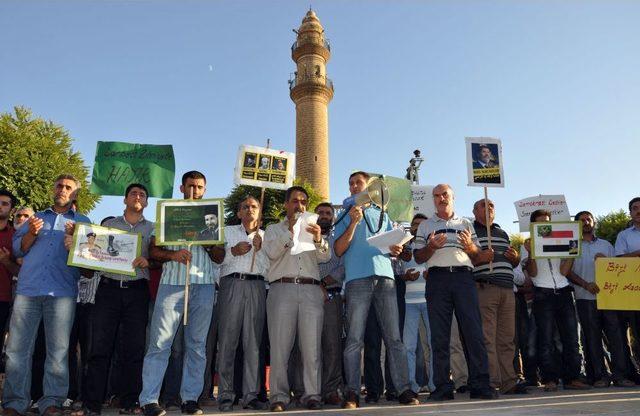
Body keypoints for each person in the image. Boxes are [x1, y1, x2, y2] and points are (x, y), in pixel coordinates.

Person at [3, 175, 91, 416]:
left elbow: (90, 268)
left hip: (62, 294)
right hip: (28, 291)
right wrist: (31, 233)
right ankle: (14, 403)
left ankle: (51, 401)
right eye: (60, 186)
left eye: (68, 187)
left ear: (75, 194)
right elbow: (18, 250)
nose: (63, 189)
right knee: (17, 350)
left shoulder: (84, 223)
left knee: (59, 351)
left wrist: (76, 246)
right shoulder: (34, 219)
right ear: (53, 189)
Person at [139, 171, 222, 416]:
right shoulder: (167, 214)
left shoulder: (213, 218)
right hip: (172, 284)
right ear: (182, 188)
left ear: (205, 190)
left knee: (197, 346)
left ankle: (190, 399)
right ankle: (149, 400)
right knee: (159, 344)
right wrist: (173, 255)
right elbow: (153, 251)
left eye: (199, 187)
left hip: (204, 285)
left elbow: (220, 256)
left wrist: (207, 242)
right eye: (190, 186)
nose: (194, 191)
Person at [334, 171, 418, 409]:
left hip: (385, 279)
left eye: (357, 183)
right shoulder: (344, 215)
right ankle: (352, 392)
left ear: (369, 187)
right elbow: (338, 250)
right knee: (354, 340)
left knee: (394, 339)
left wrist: (396, 249)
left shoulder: (384, 214)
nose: (353, 186)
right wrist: (352, 222)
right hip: (357, 281)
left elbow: (392, 248)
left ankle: (403, 389)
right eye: (350, 183)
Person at [79, 184, 156, 416]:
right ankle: (92, 404)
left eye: (142, 194)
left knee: (133, 349)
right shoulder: (108, 226)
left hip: (137, 291)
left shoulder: (153, 229)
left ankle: (130, 402)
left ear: (147, 202)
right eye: (133, 193)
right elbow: (91, 262)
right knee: (99, 348)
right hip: (108, 290)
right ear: (124, 199)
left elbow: (159, 260)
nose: (138, 197)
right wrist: (81, 252)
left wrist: (148, 261)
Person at [413, 184, 494, 401]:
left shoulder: (466, 223)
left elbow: (477, 258)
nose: (441, 198)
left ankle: (480, 384)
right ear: (433, 200)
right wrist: (431, 247)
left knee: (473, 333)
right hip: (437, 280)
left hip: (463, 278)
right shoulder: (426, 225)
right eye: (437, 196)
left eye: (445, 194)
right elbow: (418, 257)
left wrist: (470, 247)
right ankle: (442, 387)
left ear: (453, 197)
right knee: (439, 336)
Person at [262, 186, 330, 412]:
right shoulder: (272, 229)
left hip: (311, 291)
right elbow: (271, 254)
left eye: (303, 201)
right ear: (286, 204)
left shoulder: (314, 227)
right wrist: (289, 231)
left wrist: (319, 238)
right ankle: (279, 397)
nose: (299, 205)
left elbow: (325, 257)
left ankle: (312, 395)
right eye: (294, 201)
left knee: (312, 349)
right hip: (282, 290)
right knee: (280, 348)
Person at [563, 211, 634, 388]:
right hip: (584, 297)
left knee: (616, 337)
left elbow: (619, 269)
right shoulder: (572, 244)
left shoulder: (606, 244)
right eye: (582, 220)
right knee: (592, 339)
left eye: (589, 219)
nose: (586, 222)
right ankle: (599, 376)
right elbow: (567, 272)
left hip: (609, 298)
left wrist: (605, 261)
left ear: (594, 222)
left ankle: (620, 376)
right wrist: (586, 284)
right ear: (576, 224)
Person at [523, 209, 590, 391]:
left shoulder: (560, 240)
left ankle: (572, 378)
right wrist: (531, 253)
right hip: (542, 294)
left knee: (571, 338)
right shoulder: (527, 245)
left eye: (547, 222)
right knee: (545, 339)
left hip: (564, 291)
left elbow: (564, 272)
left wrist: (572, 252)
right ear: (533, 226)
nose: (544, 226)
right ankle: (550, 379)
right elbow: (533, 272)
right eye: (540, 223)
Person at [215, 196, 269, 412]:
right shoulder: (227, 232)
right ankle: (226, 395)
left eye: (254, 206)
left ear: (259, 212)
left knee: (253, 343)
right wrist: (232, 252)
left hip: (257, 286)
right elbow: (216, 260)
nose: (249, 209)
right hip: (231, 284)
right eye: (245, 207)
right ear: (238, 213)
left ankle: (251, 395)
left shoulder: (266, 237)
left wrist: (261, 250)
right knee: (228, 341)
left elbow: (269, 270)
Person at [471, 199, 527, 395]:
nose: (489, 208)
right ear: (474, 210)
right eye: (483, 205)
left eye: (492, 205)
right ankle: (492, 381)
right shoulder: (470, 231)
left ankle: (509, 381)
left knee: (507, 338)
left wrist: (516, 259)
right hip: (485, 286)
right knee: (488, 338)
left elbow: (513, 261)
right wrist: (479, 256)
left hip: (507, 289)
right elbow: (467, 258)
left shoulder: (502, 233)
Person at [399, 213, 435, 394]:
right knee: (408, 346)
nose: (418, 227)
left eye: (422, 224)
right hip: (409, 303)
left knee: (433, 343)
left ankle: (435, 384)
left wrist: (433, 275)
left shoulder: (433, 247)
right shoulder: (403, 249)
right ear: (411, 228)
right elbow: (397, 274)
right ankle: (411, 385)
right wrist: (405, 277)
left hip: (430, 301)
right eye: (415, 225)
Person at [614, 197, 640, 383]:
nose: (638, 211)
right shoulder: (624, 236)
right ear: (630, 213)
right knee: (637, 335)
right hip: (633, 294)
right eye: (635, 208)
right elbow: (620, 260)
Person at [0, 190, 20, 362]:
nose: (0, 207)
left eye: (5, 204)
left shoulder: (15, 237)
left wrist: (6, 261)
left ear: (11, 210)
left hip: (2, 298)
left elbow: (19, 272)